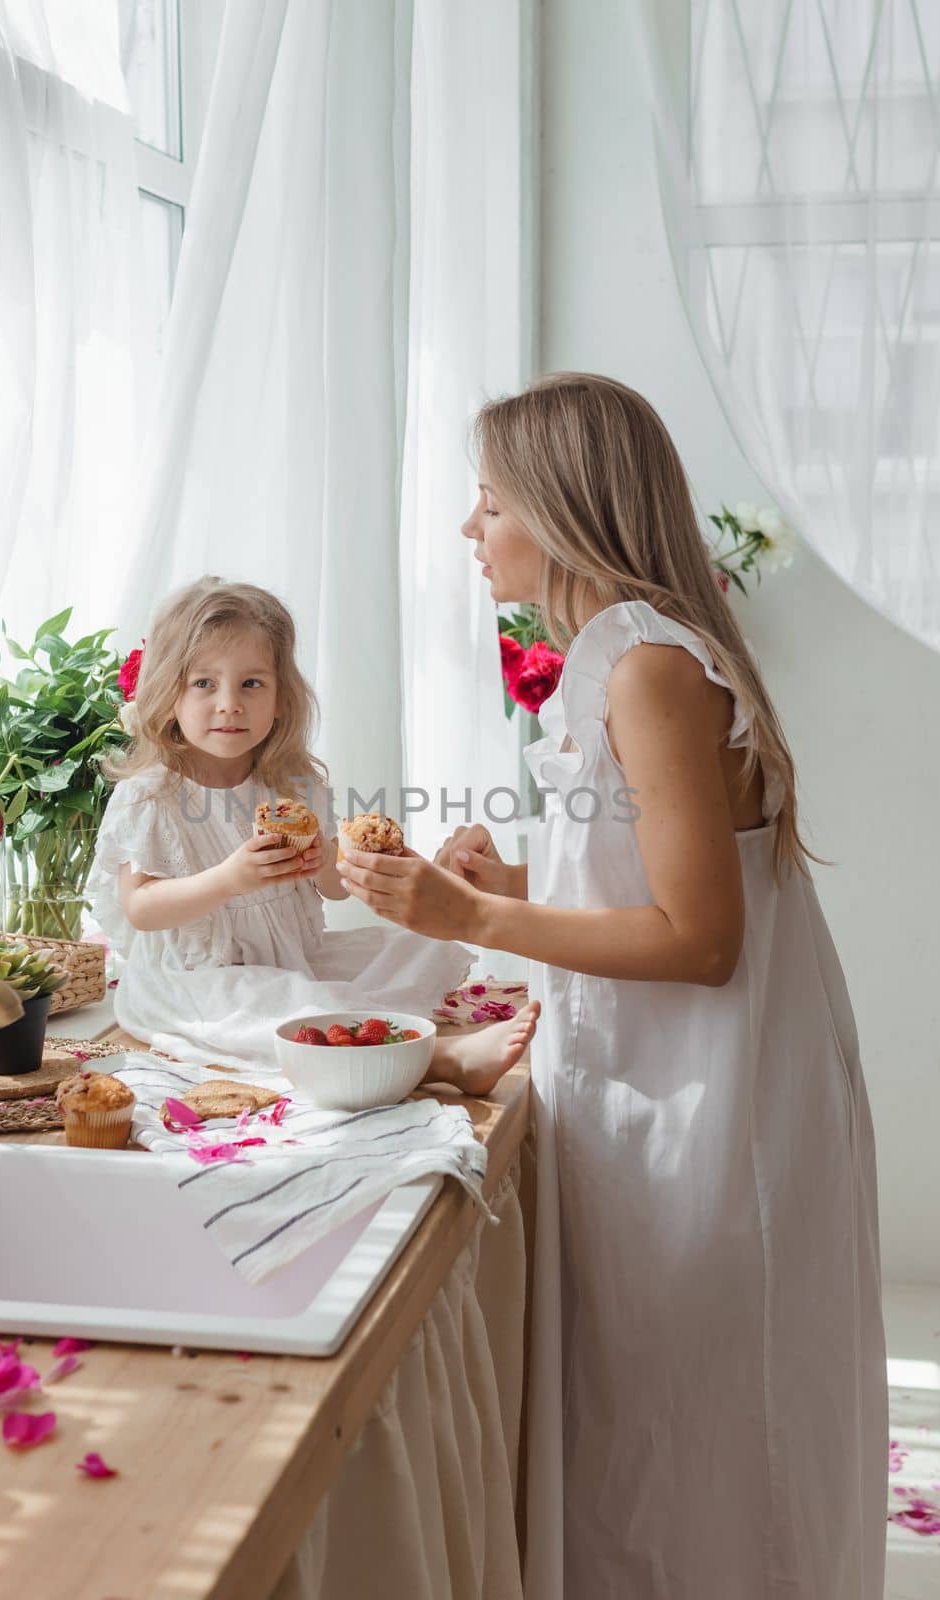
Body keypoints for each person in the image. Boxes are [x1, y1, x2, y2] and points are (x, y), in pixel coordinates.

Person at [337, 373, 888, 1598]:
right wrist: (519, 871)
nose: (467, 531)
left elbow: (701, 938)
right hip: (689, 1093)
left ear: (558, 503)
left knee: (693, 1439)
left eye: (487, 503)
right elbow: (656, 872)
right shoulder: (621, 657)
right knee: (676, 1436)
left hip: (705, 1110)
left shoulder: (644, 666)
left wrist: (472, 913)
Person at [91, 576, 540, 1086]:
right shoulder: (152, 795)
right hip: (195, 981)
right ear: (168, 693)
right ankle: (442, 1062)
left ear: (282, 697)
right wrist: (231, 879)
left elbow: (331, 885)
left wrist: (337, 861)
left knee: (399, 952)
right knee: (301, 1008)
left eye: (252, 684)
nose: (229, 703)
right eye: (203, 683)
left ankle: (386, 1036)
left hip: (292, 958)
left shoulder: (290, 784)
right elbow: (141, 909)